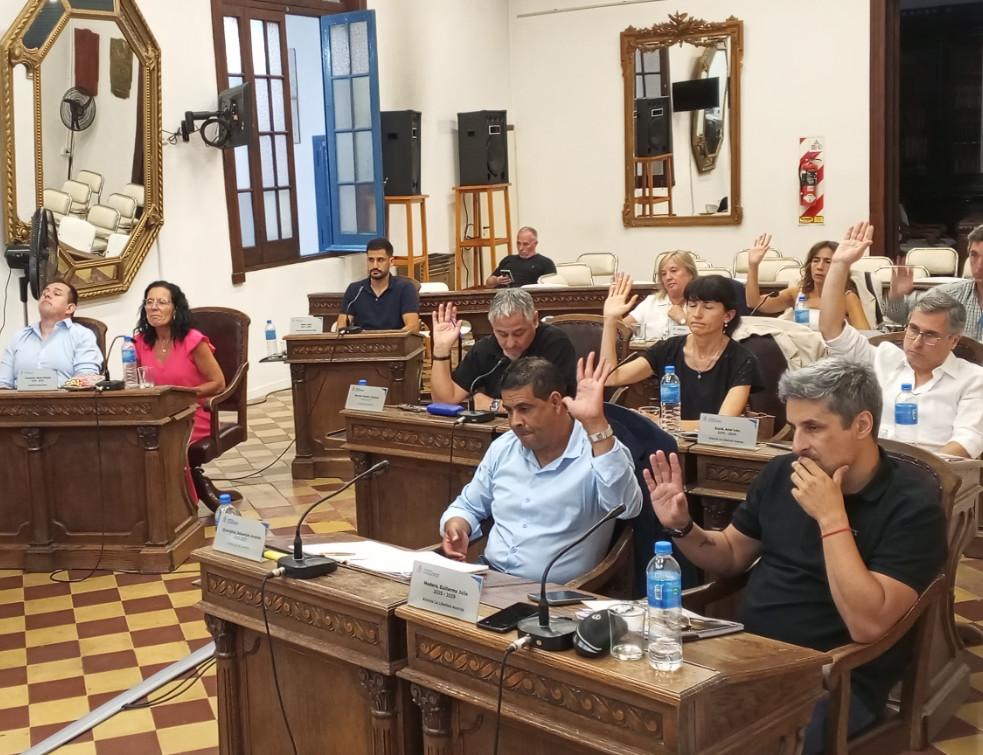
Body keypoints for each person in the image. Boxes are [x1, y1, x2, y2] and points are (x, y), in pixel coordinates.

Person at [646, 356, 947, 755]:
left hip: (835, 678)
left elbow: (868, 625)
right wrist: (683, 526)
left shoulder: (912, 508)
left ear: (861, 425)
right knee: (653, 724)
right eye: (794, 427)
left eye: (813, 428)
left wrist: (831, 518)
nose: (797, 444)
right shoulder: (782, 472)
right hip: (744, 656)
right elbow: (731, 554)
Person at [440, 355, 642, 583]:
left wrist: (596, 424)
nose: (515, 421)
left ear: (555, 402)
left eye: (525, 409)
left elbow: (627, 508)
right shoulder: (504, 447)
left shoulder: (599, 451)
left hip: (555, 593)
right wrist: (457, 525)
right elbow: (468, 506)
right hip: (487, 576)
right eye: (509, 410)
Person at [819, 221, 983, 457]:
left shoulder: (973, 379)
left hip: (930, 473)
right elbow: (832, 331)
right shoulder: (885, 357)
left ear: (954, 341)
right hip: (870, 466)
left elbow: (967, 441)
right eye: (913, 330)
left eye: (930, 336)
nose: (916, 342)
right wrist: (839, 264)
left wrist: (917, 473)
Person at [601, 273, 763, 420]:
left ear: (728, 315)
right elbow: (610, 377)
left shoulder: (742, 360)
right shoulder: (669, 348)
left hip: (715, 443)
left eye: (708, 307)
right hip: (670, 439)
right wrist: (609, 321)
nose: (697, 314)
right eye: (692, 305)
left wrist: (661, 423)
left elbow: (721, 424)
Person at [133, 281, 226, 503]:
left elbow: (218, 383)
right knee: (131, 442)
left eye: (162, 302)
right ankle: (148, 503)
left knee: (167, 441)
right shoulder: (138, 342)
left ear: (176, 308)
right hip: (157, 416)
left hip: (194, 414)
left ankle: (180, 505)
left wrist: (182, 397)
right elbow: (136, 383)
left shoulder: (192, 340)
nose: (154, 307)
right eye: (149, 302)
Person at [429, 288, 577, 408]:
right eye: (502, 334)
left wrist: (494, 405)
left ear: (534, 320)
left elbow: (552, 405)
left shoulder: (555, 343)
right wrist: (441, 349)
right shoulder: (484, 348)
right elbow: (444, 401)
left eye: (518, 333)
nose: (510, 343)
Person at [745, 234, 870, 329]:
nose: (820, 267)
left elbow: (866, 336)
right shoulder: (797, 294)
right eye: (816, 260)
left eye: (828, 262)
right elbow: (754, 302)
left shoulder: (848, 298)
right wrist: (753, 265)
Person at [884, 223, 983, 341]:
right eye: (974, 255)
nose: (979, 266)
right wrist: (897, 296)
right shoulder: (950, 294)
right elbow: (899, 316)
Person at [0, 280, 102, 389]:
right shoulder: (18, 337)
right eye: (44, 293)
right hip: (20, 399)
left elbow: (86, 378)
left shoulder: (82, 335)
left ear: (70, 308)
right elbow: (3, 383)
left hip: (65, 399)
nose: (47, 295)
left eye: (56, 293)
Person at [336, 237, 421, 332]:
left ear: (391, 261)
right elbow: (341, 327)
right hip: (363, 340)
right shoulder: (355, 290)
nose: (375, 266)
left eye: (380, 260)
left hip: (395, 340)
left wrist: (392, 338)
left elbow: (413, 326)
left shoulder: (405, 288)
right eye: (371, 260)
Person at [622, 251, 699, 340]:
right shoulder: (652, 302)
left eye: (674, 271)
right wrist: (614, 316)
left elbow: (707, 339)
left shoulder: (701, 303)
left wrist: (682, 320)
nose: (668, 277)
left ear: (691, 273)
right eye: (663, 274)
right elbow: (621, 330)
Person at [485, 227, 557, 288]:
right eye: (518, 243)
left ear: (535, 243)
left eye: (526, 244)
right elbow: (488, 283)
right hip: (504, 296)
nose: (521, 248)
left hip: (528, 296)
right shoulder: (508, 259)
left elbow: (552, 289)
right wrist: (497, 280)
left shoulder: (545, 263)